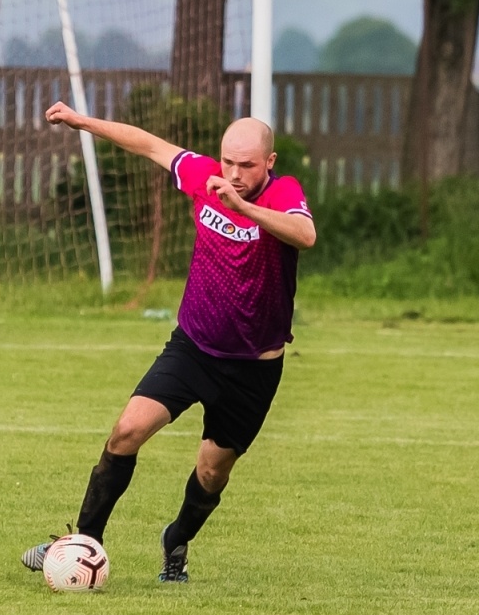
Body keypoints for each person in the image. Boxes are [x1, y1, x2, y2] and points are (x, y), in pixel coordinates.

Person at [23, 106, 316, 582]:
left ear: (269, 161)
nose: (234, 174)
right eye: (228, 163)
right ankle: (83, 542)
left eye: (246, 165)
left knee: (212, 473)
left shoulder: (283, 193)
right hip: (193, 347)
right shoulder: (205, 176)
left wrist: (243, 207)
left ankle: (175, 540)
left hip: (253, 370)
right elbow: (148, 143)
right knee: (126, 431)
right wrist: (83, 122)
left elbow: (305, 235)